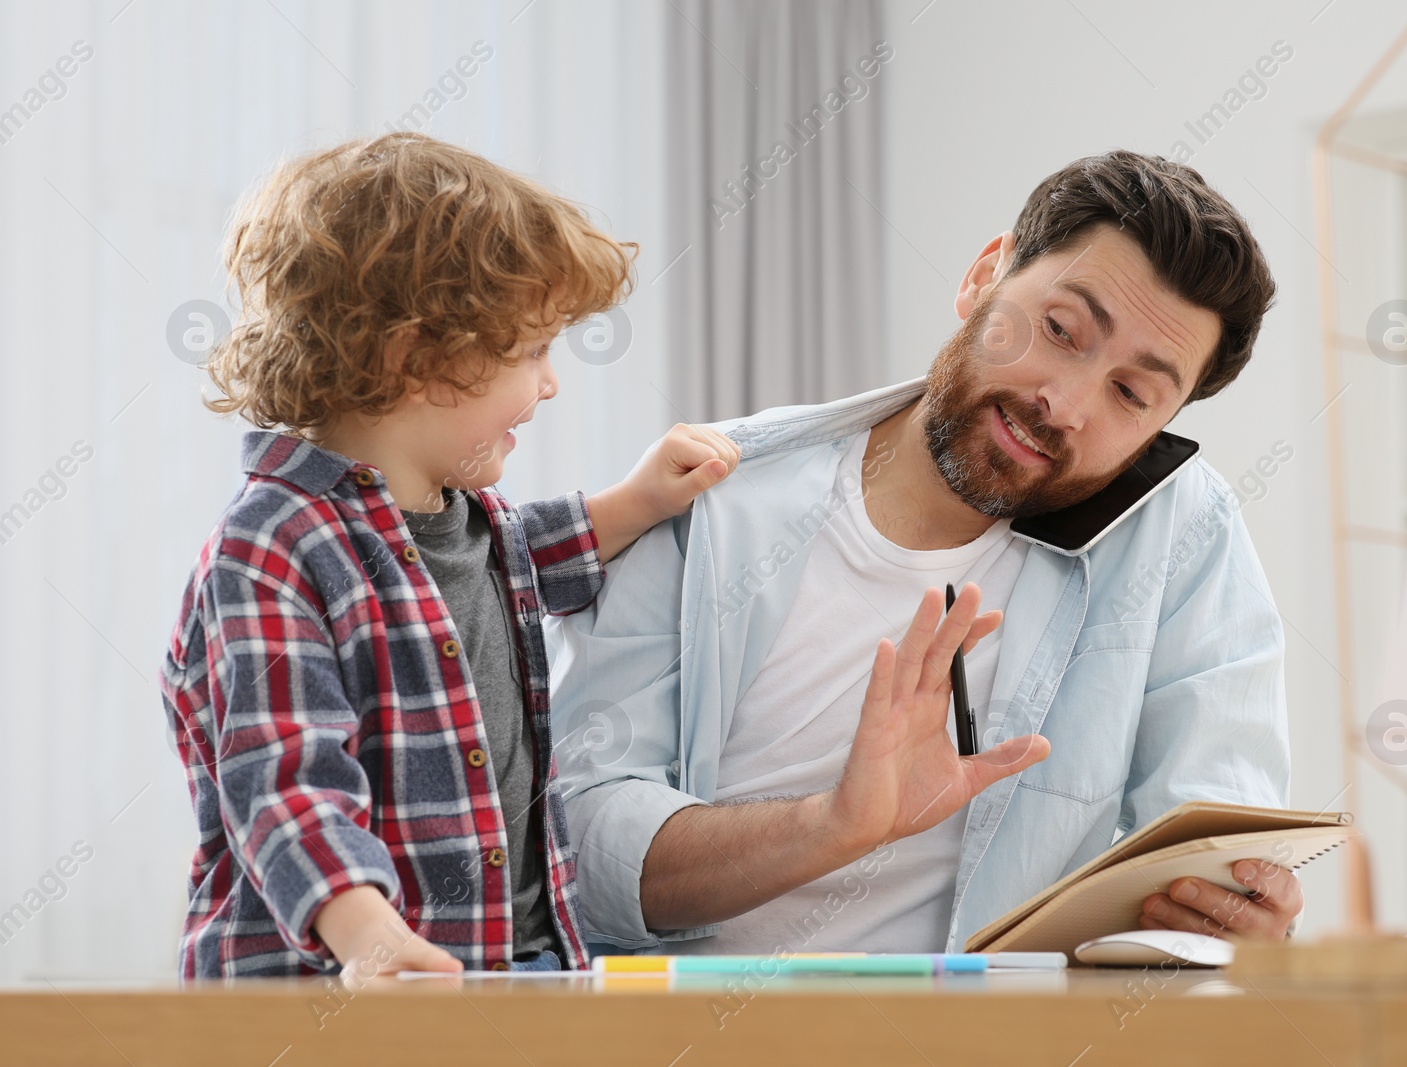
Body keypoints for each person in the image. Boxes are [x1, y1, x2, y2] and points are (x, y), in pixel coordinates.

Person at [548, 150, 1301, 957]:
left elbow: (1210, 837)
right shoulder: (707, 491)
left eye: (1131, 394)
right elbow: (579, 850)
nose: (1064, 404)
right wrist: (835, 826)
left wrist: (1235, 909)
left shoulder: (1179, 531)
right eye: (1059, 330)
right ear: (985, 277)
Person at [158, 132, 740, 979]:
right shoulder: (271, 548)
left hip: (503, 969)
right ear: (418, 358)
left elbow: (529, 552)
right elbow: (285, 783)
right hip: (338, 992)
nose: (549, 384)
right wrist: (368, 934)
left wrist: (640, 500)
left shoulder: (469, 522)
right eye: (532, 351)